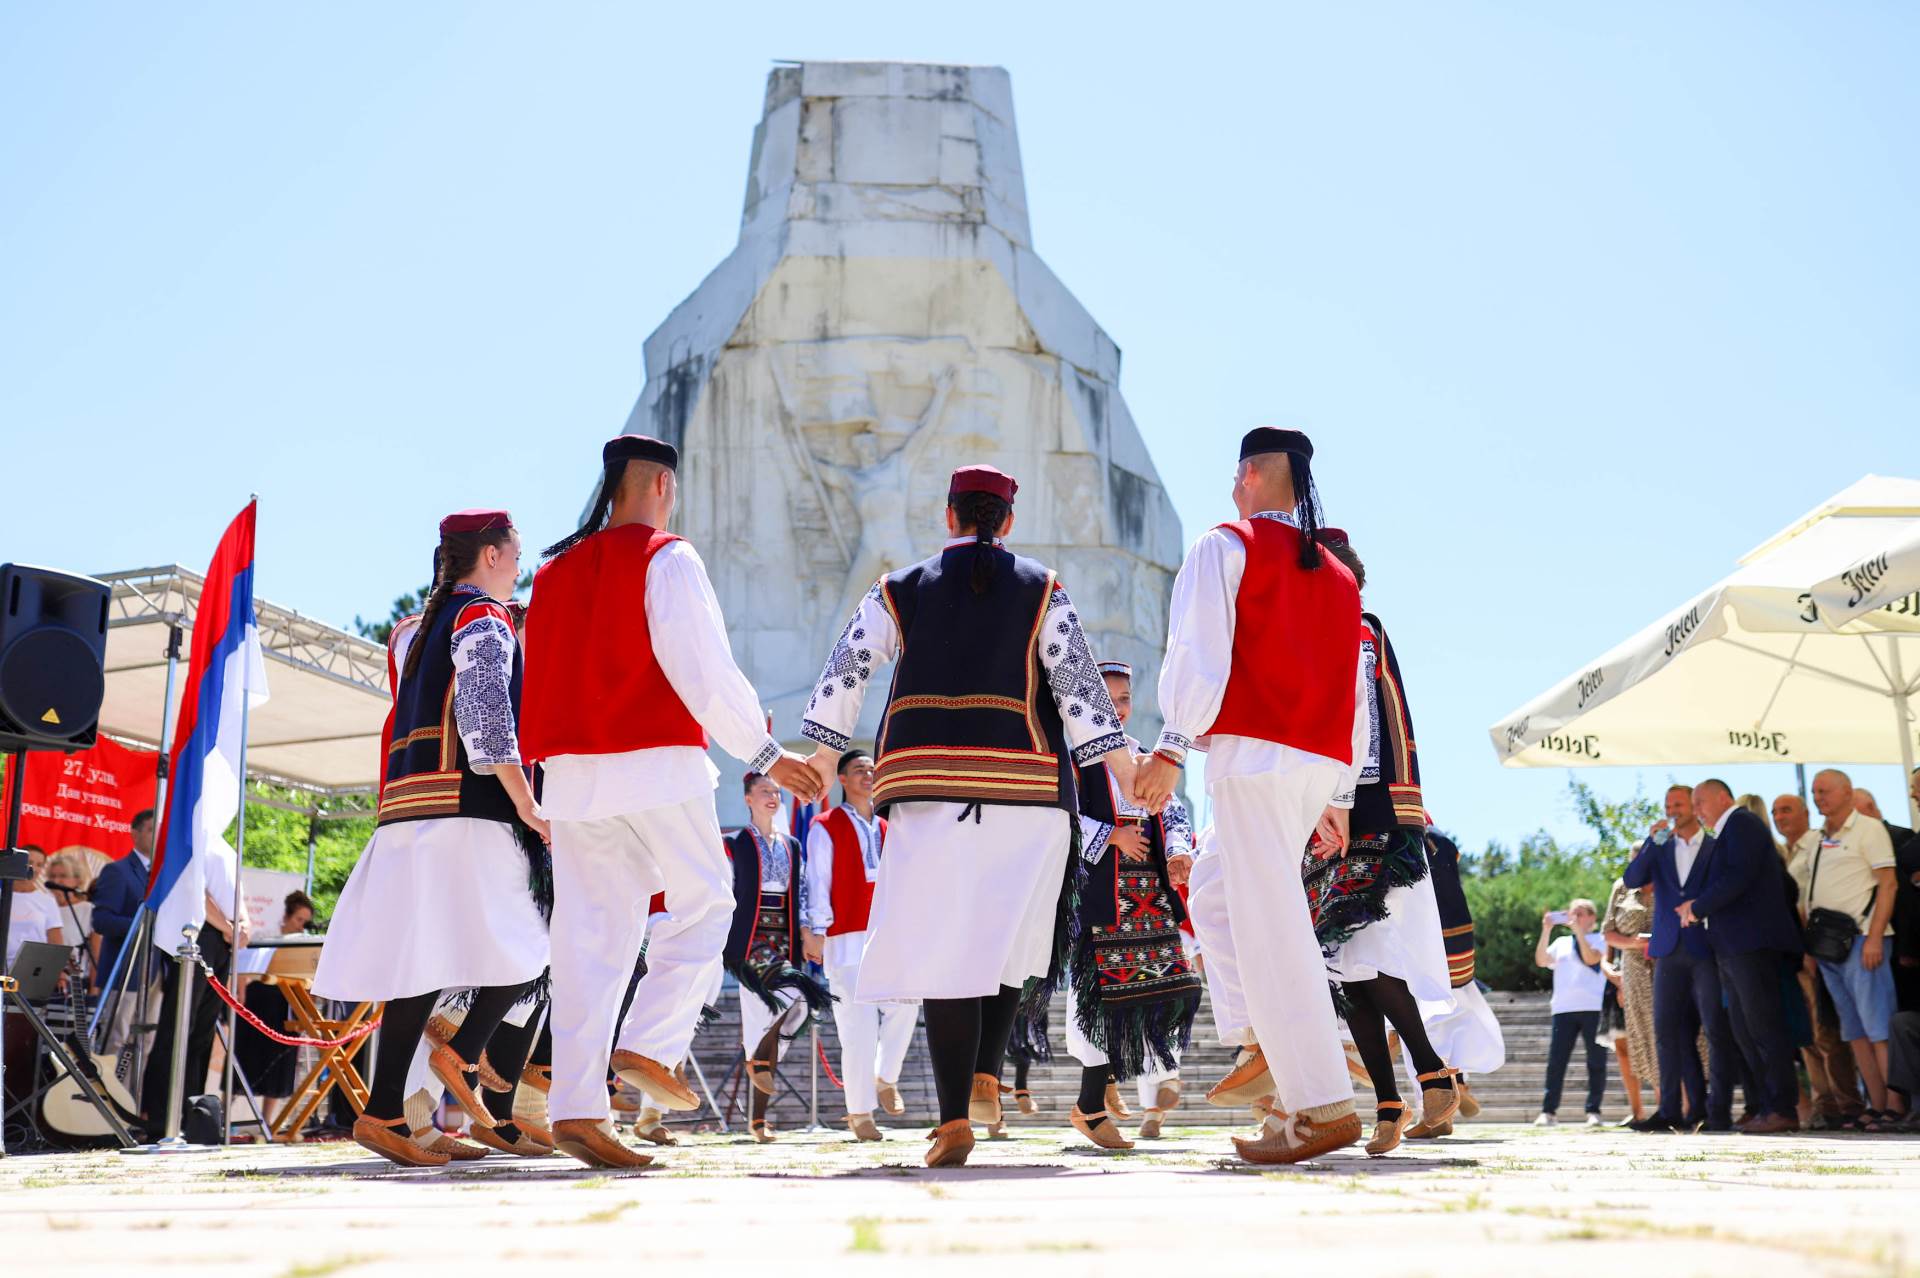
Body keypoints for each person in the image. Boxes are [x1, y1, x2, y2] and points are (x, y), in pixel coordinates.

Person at [799, 463, 1137, 1169]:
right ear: (1007, 521)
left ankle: (955, 1118)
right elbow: (1078, 686)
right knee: (1013, 937)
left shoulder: (901, 587)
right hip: (1029, 790)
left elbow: (848, 665)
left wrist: (825, 754)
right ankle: (986, 1069)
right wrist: (1123, 765)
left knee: (949, 948)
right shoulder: (1043, 588)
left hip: (927, 790)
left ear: (949, 516)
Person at [522, 434, 823, 1170]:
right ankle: (651, 1045)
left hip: (572, 775)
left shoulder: (552, 571)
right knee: (706, 901)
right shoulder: (666, 555)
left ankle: (578, 1109)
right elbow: (704, 669)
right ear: (661, 484)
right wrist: (765, 754)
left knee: (589, 937)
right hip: (654, 760)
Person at [1132, 426, 1370, 1166]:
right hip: (1311, 763)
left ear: (1249, 477)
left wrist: (1172, 744)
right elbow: (1353, 689)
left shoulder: (1224, 546)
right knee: (1220, 897)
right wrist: (1340, 789)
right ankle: (1271, 1058)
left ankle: (1321, 1100)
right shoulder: (1339, 575)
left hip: (1252, 754)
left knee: (1269, 921)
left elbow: (1197, 652)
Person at [312, 509, 554, 1167]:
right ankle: (463, 1052)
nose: (521, 565)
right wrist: (529, 804)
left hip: (409, 811)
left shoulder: (412, 631)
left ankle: (387, 1111)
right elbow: (485, 717)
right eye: (517, 552)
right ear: (494, 556)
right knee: (539, 944)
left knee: (423, 964)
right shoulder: (483, 617)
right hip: (466, 812)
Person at [1301, 531, 1458, 1156]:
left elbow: (1357, 724)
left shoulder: (1353, 630)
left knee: (1358, 954)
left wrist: (1335, 802)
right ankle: (1397, 1098)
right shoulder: (1347, 629)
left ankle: (1426, 1075)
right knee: (1348, 966)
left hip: (1360, 809)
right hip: (1345, 808)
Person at [1057, 659, 1202, 1151]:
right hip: (1098, 894)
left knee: (1158, 992)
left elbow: (1173, 808)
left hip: (1147, 895)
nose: (1117, 710)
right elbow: (1059, 818)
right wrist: (1110, 835)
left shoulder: (1142, 756)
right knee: (1098, 999)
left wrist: (1180, 850)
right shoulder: (1072, 757)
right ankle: (1092, 1103)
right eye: (1108, 700)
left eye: (1123, 700)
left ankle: (1105, 1095)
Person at [801, 749, 919, 1141]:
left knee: (905, 1005)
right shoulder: (825, 824)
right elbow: (818, 878)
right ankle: (860, 1112)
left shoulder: (887, 827)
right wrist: (816, 927)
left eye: (872, 770)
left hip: (887, 934)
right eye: (858, 770)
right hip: (846, 936)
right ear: (842, 780)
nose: (868, 775)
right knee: (858, 1027)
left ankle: (886, 1076)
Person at [1678, 778, 1805, 1133]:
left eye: (1700, 801)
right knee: (1745, 1031)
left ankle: (1782, 1108)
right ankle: (1765, 1106)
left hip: (1751, 944)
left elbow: (1739, 878)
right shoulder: (1726, 832)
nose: (1696, 809)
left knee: (1764, 1027)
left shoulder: (1742, 823)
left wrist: (1698, 907)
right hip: (1731, 947)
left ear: (1723, 797)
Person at [1622, 784, 1736, 1132]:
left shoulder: (1717, 844)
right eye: (1668, 803)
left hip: (1706, 948)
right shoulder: (1660, 847)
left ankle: (1717, 1111)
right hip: (1668, 950)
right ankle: (1670, 1110)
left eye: (1679, 803)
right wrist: (1649, 843)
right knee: (1668, 1032)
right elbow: (1632, 879)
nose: (1672, 809)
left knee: (1714, 1030)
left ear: (1694, 806)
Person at [723, 770, 829, 1143]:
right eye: (764, 791)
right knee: (792, 995)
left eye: (777, 791)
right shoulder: (734, 843)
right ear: (748, 798)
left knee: (768, 1018)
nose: (772, 796)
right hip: (748, 940)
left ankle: (757, 1121)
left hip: (783, 937)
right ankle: (757, 1084)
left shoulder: (791, 845)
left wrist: (806, 932)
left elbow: (800, 891)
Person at [1795, 768, 1901, 1129]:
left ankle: (1895, 1105)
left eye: (1824, 790)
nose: (1818, 796)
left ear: (1846, 792)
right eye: (1814, 791)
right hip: (1828, 947)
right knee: (1854, 1031)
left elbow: (1888, 886)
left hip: (1861, 941)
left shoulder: (1868, 830)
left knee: (1878, 1029)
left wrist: (1873, 937)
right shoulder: (1817, 838)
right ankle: (1875, 1104)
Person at [1404, 825, 1504, 1138]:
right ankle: (1457, 1085)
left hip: (1425, 940)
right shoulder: (1443, 842)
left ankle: (1435, 1110)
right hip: (1459, 938)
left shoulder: (1402, 837)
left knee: (1418, 1026)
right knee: (1454, 1016)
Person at [1772, 792, 1863, 1127]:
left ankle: (1848, 1104)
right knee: (1807, 1037)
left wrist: (1810, 950)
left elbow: (1815, 901)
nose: (1779, 817)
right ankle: (1825, 1107)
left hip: (1818, 951)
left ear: (1806, 814)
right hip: (1794, 954)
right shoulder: (1786, 854)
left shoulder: (1817, 844)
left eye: (1787, 810)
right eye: (1775, 812)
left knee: (1827, 1034)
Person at [234, 890, 314, 1129]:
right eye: (299, 919)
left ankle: (268, 1122)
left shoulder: (306, 943)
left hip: (287, 1003)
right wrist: (241, 995)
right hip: (259, 1001)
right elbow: (242, 962)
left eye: (305, 921)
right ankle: (221, 1117)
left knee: (280, 1062)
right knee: (246, 1057)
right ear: (288, 916)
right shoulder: (266, 935)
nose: (302, 926)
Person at [1532, 899, 1609, 1126]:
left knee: (1596, 1061)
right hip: (1563, 1009)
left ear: (1592, 918)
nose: (1576, 916)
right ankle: (1548, 1112)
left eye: (1582, 913)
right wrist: (1546, 930)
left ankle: (1593, 1111)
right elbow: (1541, 960)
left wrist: (1578, 933)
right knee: (1556, 1062)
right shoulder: (1562, 942)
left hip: (1593, 1008)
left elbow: (1590, 958)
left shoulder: (1601, 939)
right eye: (1573, 912)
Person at [1856, 786, 1920, 1016]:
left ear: (1870, 808)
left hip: (1902, 940)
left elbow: (1906, 898)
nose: (1913, 794)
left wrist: (1908, 947)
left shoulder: (1899, 838)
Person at [1601, 876, 1655, 1125]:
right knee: (1623, 1048)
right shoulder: (1621, 891)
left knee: (1654, 1040)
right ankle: (1637, 1111)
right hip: (1622, 982)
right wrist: (1616, 978)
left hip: (1653, 977)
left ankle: (1664, 1105)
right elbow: (1607, 951)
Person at [89, 810, 155, 995]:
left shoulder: (164, 874)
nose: (158, 835)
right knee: (121, 1025)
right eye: (151, 829)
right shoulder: (117, 871)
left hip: (157, 975)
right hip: (126, 973)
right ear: (135, 834)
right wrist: (144, 927)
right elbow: (101, 921)